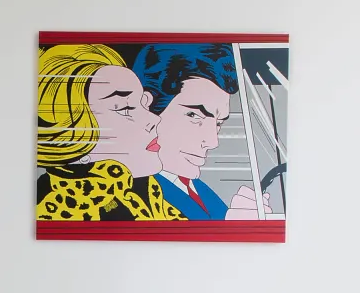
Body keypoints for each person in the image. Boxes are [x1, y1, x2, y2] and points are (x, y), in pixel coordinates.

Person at [35, 43, 181, 221]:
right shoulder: (62, 212)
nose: (154, 119)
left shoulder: (149, 196)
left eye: (144, 103)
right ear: (71, 137)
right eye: (125, 108)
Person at [132, 43, 268, 220]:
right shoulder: (130, 191)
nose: (213, 141)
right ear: (146, 106)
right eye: (194, 115)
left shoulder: (201, 191)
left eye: (218, 123)